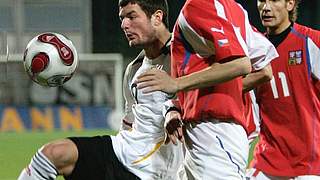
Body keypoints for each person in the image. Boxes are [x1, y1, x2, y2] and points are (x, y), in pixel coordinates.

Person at [18, 0, 183, 179]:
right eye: (122, 18)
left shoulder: (185, 56)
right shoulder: (134, 69)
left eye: (131, 16)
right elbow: (129, 123)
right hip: (124, 153)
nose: (124, 25)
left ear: (157, 17)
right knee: (52, 155)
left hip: (156, 171)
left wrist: (174, 108)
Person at [136, 0, 278, 179]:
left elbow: (240, 64)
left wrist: (177, 84)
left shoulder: (198, 5)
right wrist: (177, 106)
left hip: (213, 134)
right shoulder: (235, 10)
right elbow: (264, 70)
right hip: (215, 134)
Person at [246, 0, 320, 179]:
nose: (266, 7)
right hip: (267, 160)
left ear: (290, 4)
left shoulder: (311, 41)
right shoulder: (254, 50)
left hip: (309, 164)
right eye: (262, 1)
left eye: (274, 0)